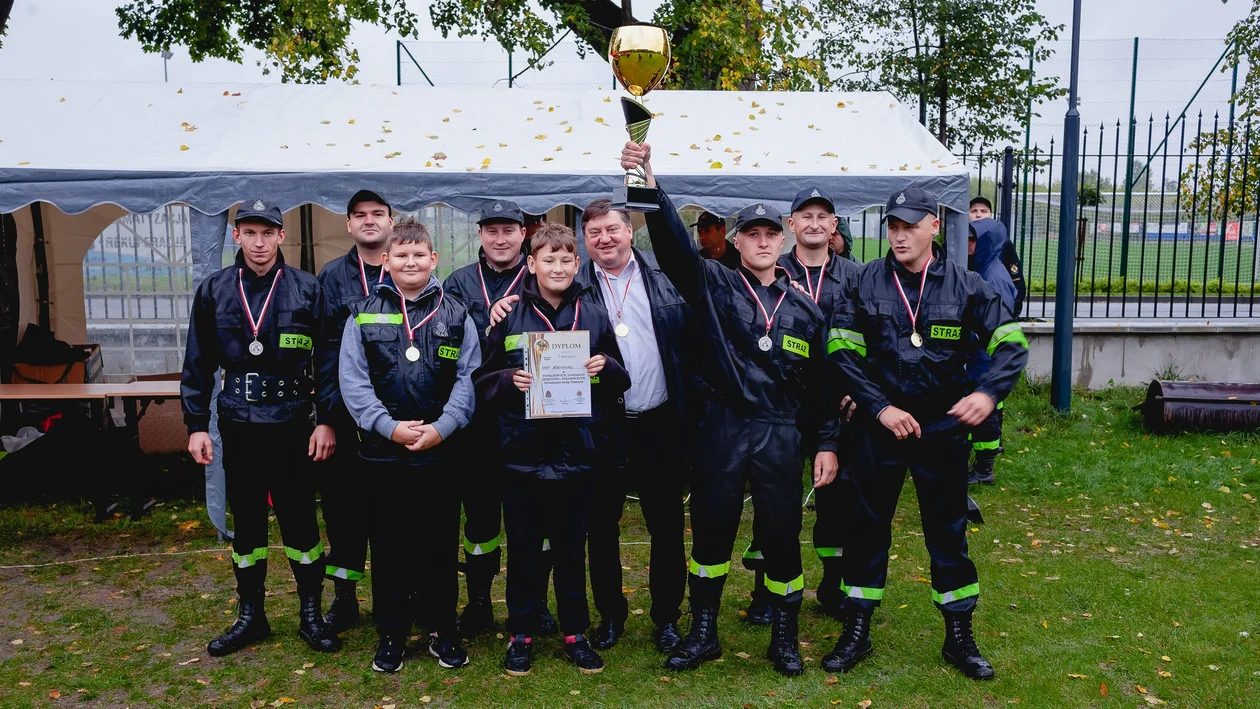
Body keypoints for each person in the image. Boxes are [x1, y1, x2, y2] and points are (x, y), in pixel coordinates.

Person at [623, 141, 838, 677]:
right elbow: (672, 246)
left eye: (771, 235)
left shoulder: (808, 311)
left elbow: (822, 387)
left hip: (780, 431)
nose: (762, 242)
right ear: (736, 241)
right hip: (723, 426)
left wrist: (828, 442)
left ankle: (784, 640)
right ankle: (704, 634)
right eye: (752, 234)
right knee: (713, 531)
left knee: (782, 534)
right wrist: (650, 181)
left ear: (782, 240)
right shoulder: (714, 284)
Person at [823, 186, 1028, 680]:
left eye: (909, 226)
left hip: (941, 429)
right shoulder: (863, 281)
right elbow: (841, 353)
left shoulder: (968, 285)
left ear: (934, 226)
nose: (899, 235)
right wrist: (879, 407)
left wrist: (988, 394)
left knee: (948, 533)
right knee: (866, 530)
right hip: (881, 427)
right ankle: (856, 632)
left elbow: (1012, 342)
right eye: (892, 226)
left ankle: (959, 637)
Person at [182, 199, 340, 657]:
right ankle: (251, 616)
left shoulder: (307, 289)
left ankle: (311, 615)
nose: (258, 242)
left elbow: (328, 359)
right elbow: (197, 361)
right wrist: (196, 424)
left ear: (280, 236)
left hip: (293, 420)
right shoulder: (214, 290)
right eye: (249, 232)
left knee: (299, 520)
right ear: (236, 235)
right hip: (238, 420)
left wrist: (326, 419)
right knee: (247, 522)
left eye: (266, 232)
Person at [475, 223, 630, 677]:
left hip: (578, 454)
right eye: (548, 260)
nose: (557, 267)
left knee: (569, 549)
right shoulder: (508, 314)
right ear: (531, 264)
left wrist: (603, 368)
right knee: (523, 549)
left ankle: (575, 634)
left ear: (576, 264)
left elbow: (621, 380)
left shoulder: (594, 313)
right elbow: (481, 381)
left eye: (566, 260)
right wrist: (508, 381)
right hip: (522, 454)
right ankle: (520, 634)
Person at [338, 221, 481, 673]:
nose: (411, 262)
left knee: (439, 545)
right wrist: (388, 427)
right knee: (389, 547)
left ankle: (443, 629)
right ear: (386, 260)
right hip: (383, 455)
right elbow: (353, 381)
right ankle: (392, 633)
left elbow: (469, 378)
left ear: (434, 260)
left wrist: (444, 426)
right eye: (401, 256)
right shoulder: (361, 313)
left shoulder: (456, 312)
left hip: (441, 452)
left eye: (420, 255)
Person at [576, 198, 690, 654]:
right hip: (604, 426)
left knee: (665, 526)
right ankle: (610, 617)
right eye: (594, 233)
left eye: (612, 229)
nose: (604, 239)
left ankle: (666, 618)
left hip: (659, 422)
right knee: (601, 528)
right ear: (585, 241)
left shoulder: (665, 280)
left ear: (630, 231)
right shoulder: (573, 286)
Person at [442, 199, 530, 638]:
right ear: (480, 235)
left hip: (530, 417)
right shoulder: (457, 283)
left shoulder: (540, 276)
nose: (500, 238)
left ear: (523, 234)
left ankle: (533, 607)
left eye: (508, 230)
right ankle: (478, 603)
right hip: (476, 419)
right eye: (491, 230)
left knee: (535, 516)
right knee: (479, 517)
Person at [314, 189, 394, 633]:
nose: (369, 221)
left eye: (377, 214)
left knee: (397, 510)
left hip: (400, 416)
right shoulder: (332, 277)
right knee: (343, 511)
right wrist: (325, 418)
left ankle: (403, 593)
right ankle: (344, 598)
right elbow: (324, 354)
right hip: (347, 417)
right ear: (348, 225)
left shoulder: (405, 266)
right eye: (360, 215)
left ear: (391, 220)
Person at [966, 218, 1018, 486]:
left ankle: (985, 469)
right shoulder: (984, 269)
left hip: (985, 358)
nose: (968, 244)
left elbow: (996, 322)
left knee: (986, 410)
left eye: (974, 239)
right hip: (979, 357)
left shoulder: (994, 276)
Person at [968, 197, 1026, 317]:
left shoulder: (1003, 243)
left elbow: (1016, 279)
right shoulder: (957, 242)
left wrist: (1013, 313)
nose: (978, 215)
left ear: (991, 214)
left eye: (983, 211)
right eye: (974, 211)